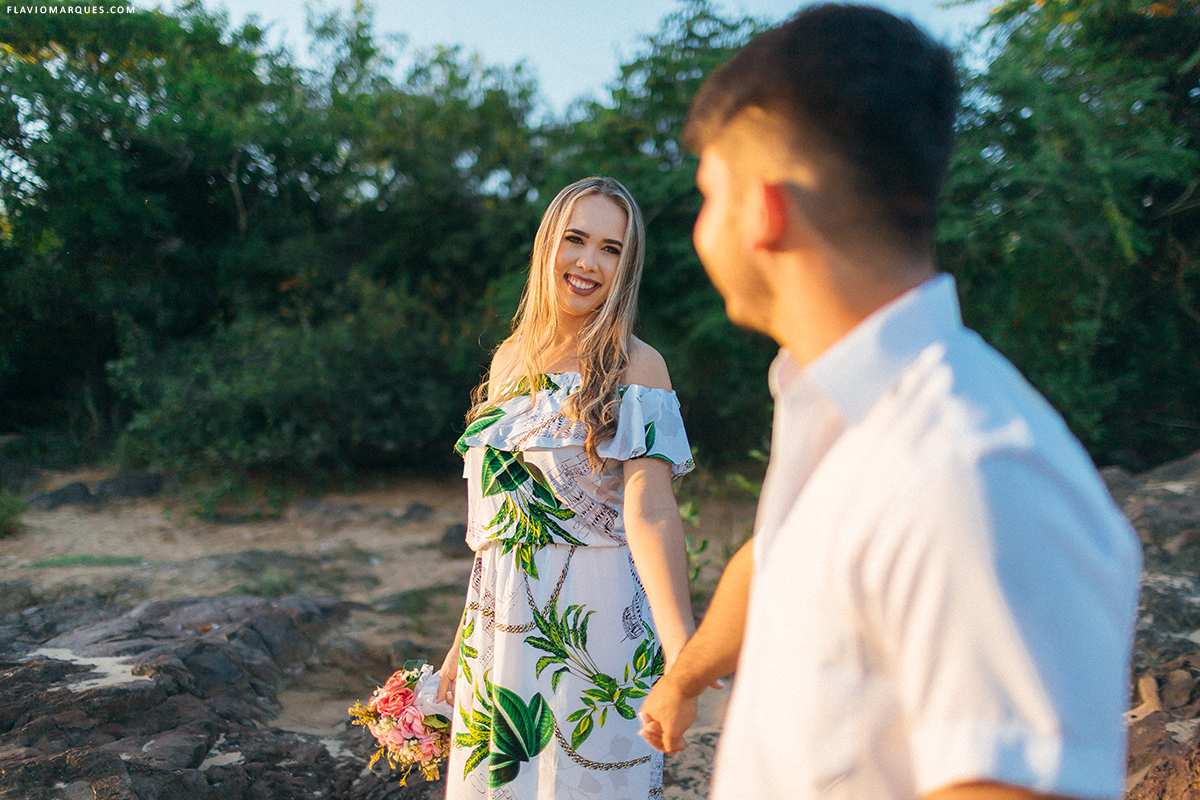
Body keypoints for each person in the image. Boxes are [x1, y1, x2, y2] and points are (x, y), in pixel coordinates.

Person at [636, 5, 1142, 800]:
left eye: (708, 197)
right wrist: (684, 678)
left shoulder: (971, 472)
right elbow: (774, 562)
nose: (699, 231)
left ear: (765, 210)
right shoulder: (841, 413)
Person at [436, 176, 697, 799]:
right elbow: (498, 532)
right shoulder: (509, 359)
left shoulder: (637, 363)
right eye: (576, 240)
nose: (588, 262)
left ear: (626, 267)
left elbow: (651, 511)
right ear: (547, 245)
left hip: (596, 629)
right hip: (498, 638)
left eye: (611, 249)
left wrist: (684, 657)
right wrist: (458, 647)